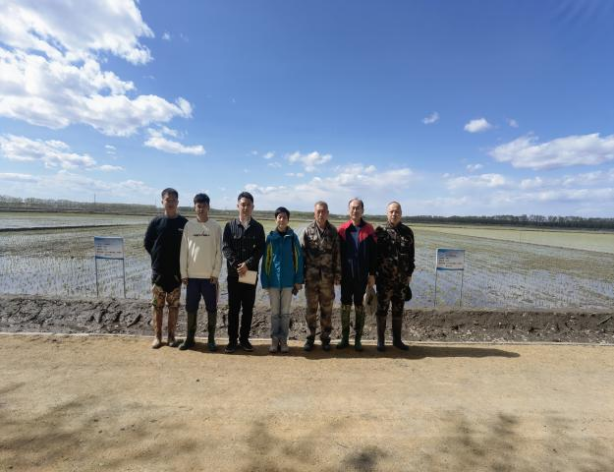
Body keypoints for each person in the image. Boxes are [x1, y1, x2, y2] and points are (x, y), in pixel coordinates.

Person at [144, 188, 188, 349]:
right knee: (157, 306)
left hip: (176, 274)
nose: (170, 203)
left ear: (177, 202)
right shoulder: (156, 222)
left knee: (174, 306)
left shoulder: (184, 223)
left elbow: (189, 247)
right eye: (168, 200)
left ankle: (171, 337)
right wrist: (157, 257)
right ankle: (157, 337)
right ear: (162, 201)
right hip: (159, 273)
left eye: (173, 200)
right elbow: (147, 243)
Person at [222, 191, 266, 353]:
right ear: (238, 206)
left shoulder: (258, 228)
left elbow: (260, 249)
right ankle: (232, 341)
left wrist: (247, 265)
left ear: (252, 207)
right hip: (234, 274)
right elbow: (226, 247)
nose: (245, 207)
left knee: (247, 308)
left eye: (248, 205)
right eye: (243, 204)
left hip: (249, 273)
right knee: (233, 308)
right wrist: (237, 265)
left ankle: (244, 340)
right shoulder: (230, 226)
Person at [179, 193, 223, 352]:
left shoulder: (215, 227)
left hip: (209, 278)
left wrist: (215, 273)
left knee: (212, 308)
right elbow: (184, 251)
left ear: (208, 207)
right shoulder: (189, 226)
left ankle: (211, 339)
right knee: (191, 308)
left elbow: (219, 252)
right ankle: (190, 338)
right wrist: (184, 273)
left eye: (204, 206)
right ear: (195, 207)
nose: (201, 209)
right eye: (198, 206)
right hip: (192, 277)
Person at [261, 207, 304, 354]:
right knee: (274, 313)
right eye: (279, 217)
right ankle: (274, 340)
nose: (282, 220)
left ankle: (284, 340)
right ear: (276, 219)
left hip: (288, 282)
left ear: (288, 220)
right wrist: (265, 281)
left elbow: (298, 259)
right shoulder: (270, 238)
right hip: (273, 281)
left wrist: (298, 280)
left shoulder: (293, 238)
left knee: (285, 313)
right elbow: (266, 261)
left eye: (284, 217)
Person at [337, 198, 377, 351]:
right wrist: (337, 273)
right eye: (352, 208)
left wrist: (372, 274)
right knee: (345, 305)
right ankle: (345, 338)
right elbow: (337, 255)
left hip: (362, 277)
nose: (355, 210)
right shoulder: (342, 230)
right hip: (346, 276)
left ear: (362, 210)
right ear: (349, 210)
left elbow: (374, 255)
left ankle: (358, 339)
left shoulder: (369, 230)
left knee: (360, 306)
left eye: (358, 208)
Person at [375, 201, 415, 351]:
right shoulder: (379, 231)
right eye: (391, 211)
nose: (394, 214)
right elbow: (373, 257)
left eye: (397, 211)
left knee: (398, 311)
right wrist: (373, 276)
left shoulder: (408, 232)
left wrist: (409, 274)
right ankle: (380, 341)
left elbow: (411, 256)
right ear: (387, 213)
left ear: (401, 214)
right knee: (382, 311)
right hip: (384, 281)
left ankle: (397, 340)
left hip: (401, 282)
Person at [301, 201, 341, 352]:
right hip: (311, 279)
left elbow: (337, 255)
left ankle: (325, 339)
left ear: (327, 213)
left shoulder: (333, 232)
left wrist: (338, 274)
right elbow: (302, 255)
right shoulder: (307, 231)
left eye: (323, 211)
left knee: (327, 311)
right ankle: (310, 338)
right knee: (310, 310)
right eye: (318, 211)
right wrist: (301, 276)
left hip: (327, 280)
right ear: (314, 213)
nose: (321, 214)